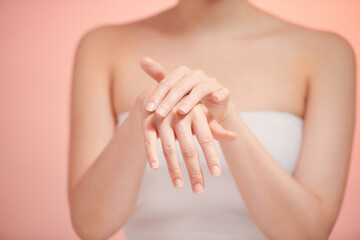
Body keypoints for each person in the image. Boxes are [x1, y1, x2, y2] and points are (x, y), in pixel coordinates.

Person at [67, 0, 356, 239]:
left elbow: (309, 233)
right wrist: (141, 116)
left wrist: (228, 120)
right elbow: (90, 226)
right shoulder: (102, 47)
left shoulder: (328, 54)